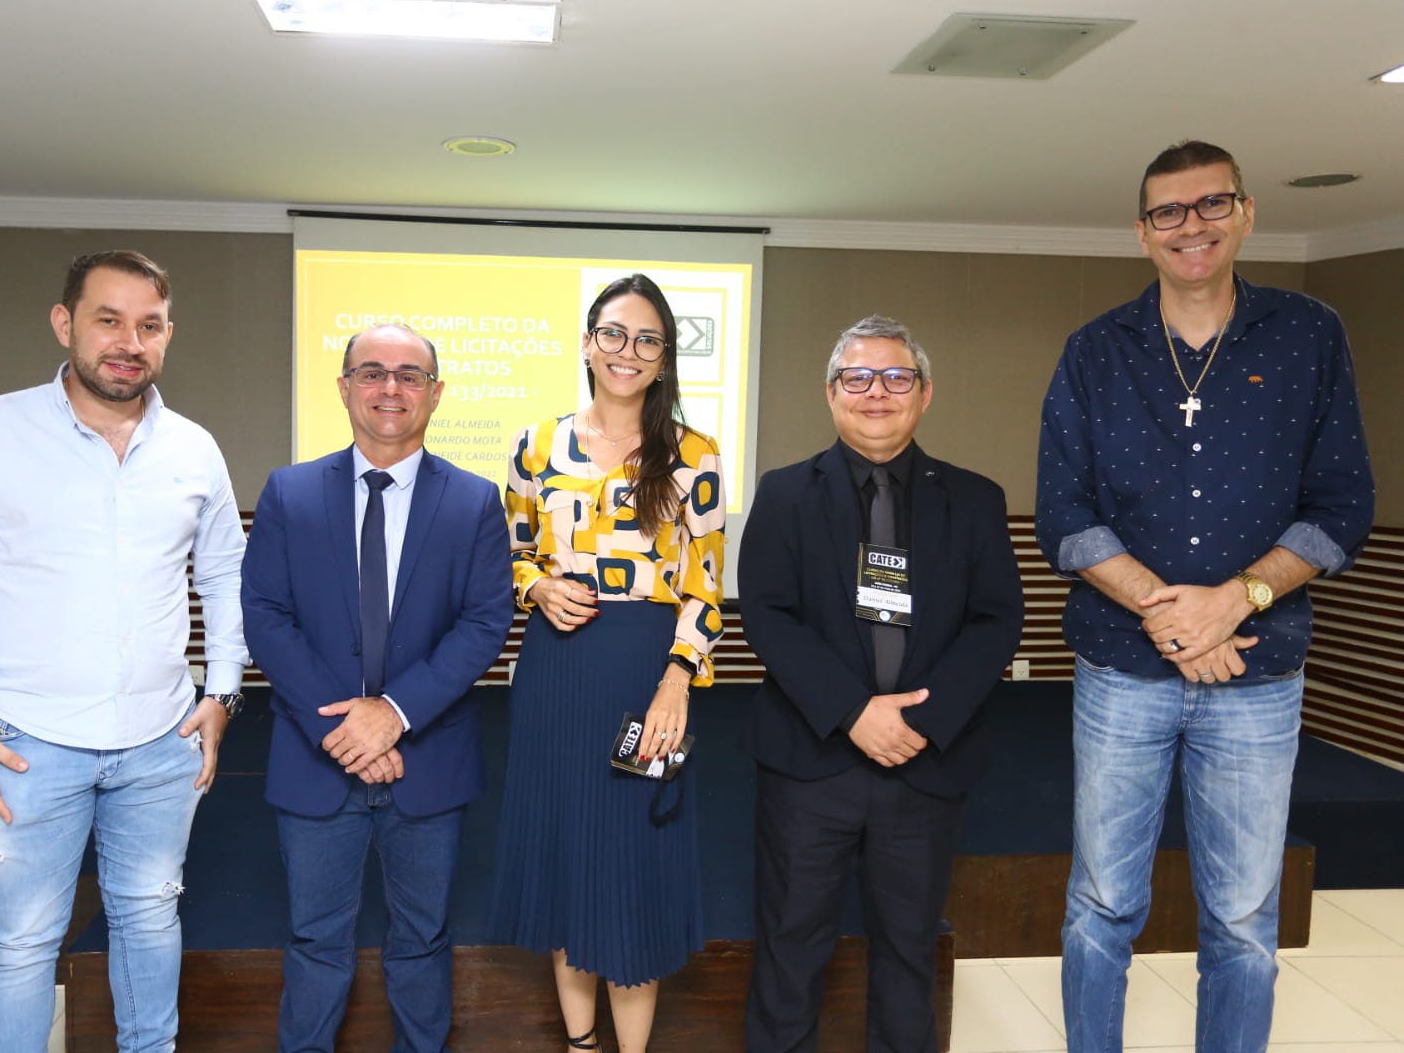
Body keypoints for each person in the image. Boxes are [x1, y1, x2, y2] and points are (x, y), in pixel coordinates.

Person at [1037, 139, 1374, 1052]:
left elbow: (1343, 505)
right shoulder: (1094, 350)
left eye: (1211, 204)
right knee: (1100, 904)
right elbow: (1062, 515)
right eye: (1168, 212)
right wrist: (1177, 615)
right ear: (1141, 232)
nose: (1191, 226)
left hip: (1257, 676)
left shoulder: (1308, 334)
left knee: (1242, 918)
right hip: (1120, 670)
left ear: (1246, 213)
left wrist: (1237, 599)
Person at [0, 250, 249, 1053]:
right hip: (22, 742)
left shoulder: (194, 448)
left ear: (168, 335)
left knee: (149, 919)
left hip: (161, 741)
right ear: (65, 324)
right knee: (22, 940)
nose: (129, 342)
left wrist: (224, 691)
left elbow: (225, 576)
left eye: (149, 325)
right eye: (108, 320)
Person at [741, 315, 1023, 1053]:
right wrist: (852, 712)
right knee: (789, 946)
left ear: (924, 394)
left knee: (908, 950)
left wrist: (919, 723)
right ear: (831, 393)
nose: (877, 392)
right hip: (810, 761)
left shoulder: (975, 498)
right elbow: (768, 615)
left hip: (923, 764)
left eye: (896, 377)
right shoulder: (783, 494)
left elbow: (996, 621)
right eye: (857, 377)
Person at [240, 323, 512, 1053]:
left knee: (423, 938)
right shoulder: (290, 492)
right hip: (316, 755)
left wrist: (394, 713)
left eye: (409, 375)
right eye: (372, 372)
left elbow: (484, 622)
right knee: (315, 940)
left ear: (435, 393)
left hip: (429, 757)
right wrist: (346, 729)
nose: (390, 388)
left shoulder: (474, 501)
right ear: (344, 388)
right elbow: (265, 615)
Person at [487, 274, 726, 1053]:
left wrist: (675, 683)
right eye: (614, 334)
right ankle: (581, 1045)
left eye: (647, 339)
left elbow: (706, 585)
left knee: (632, 863)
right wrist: (536, 586)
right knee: (567, 858)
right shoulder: (534, 445)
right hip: (555, 677)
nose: (629, 351)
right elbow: (513, 556)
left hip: (646, 681)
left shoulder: (693, 454)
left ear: (664, 360)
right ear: (588, 344)